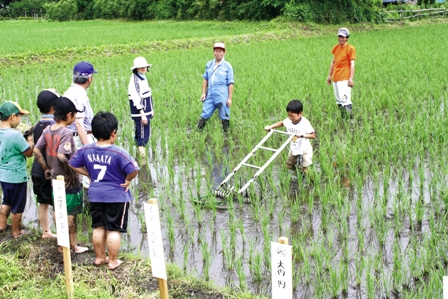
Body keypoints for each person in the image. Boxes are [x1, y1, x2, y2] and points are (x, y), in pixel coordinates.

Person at [69, 111, 139, 270]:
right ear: (113, 133)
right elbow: (134, 170)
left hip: (95, 194)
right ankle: (113, 261)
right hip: (117, 197)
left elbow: (72, 163)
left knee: (98, 226)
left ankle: (100, 258)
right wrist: (128, 180)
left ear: (92, 132)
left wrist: (89, 174)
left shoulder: (86, 149)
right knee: (114, 229)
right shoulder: (119, 152)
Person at [34, 97, 88, 254]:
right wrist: (71, 174)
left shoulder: (48, 130)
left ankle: (61, 243)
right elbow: (62, 156)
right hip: (68, 183)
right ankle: (74, 246)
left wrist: (46, 168)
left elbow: (37, 150)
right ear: (69, 115)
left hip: (54, 181)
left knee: (58, 209)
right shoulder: (66, 133)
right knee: (71, 215)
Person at [0, 101, 34, 238]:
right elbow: (28, 152)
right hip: (17, 177)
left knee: (6, 201)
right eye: (19, 116)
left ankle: (2, 225)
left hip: (3, 175)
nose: (20, 119)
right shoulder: (16, 135)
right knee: (18, 207)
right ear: (12, 117)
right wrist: (30, 139)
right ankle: (16, 232)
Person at [63, 61, 98, 187]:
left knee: (77, 174)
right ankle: (89, 205)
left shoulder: (68, 92)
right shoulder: (80, 94)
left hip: (71, 136)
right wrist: (88, 147)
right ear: (89, 78)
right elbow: (79, 123)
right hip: (80, 137)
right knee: (88, 176)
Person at [31, 89, 59, 239]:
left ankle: (45, 231)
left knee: (42, 202)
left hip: (36, 170)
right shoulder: (54, 127)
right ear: (53, 108)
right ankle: (62, 235)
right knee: (57, 203)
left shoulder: (37, 125)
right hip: (49, 170)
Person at [264, 100, 315, 174]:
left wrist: (301, 136)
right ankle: (299, 172)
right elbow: (282, 123)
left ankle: (313, 182)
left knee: (305, 169)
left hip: (304, 149)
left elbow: (313, 135)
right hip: (294, 148)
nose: (290, 118)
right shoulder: (288, 120)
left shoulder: (305, 123)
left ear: (300, 113)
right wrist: (270, 126)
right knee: (289, 166)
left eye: (292, 116)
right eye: (289, 115)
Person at [197, 42, 234, 132]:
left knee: (224, 115)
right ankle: (198, 134)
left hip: (222, 94)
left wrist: (229, 98)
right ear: (213, 52)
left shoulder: (227, 66)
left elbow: (230, 83)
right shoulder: (209, 64)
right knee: (205, 113)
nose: (218, 53)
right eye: (216, 51)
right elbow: (205, 79)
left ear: (224, 53)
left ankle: (226, 136)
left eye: (220, 51)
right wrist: (203, 93)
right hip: (210, 94)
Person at [128, 56, 154, 165]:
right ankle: (143, 162)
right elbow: (135, 98)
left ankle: (139, 157)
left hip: (146, 112)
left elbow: (147, 95)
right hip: (141, 113)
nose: (143, 68)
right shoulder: (135, 79)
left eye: (144, 66)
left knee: (142, 134)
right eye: (140, 67)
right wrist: (142, 114)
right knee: (142, 136)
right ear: (136, 68)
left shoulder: (142, 77)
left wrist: (151, 110)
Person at [326, 28, 356, 119]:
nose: (341, 39)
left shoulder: (350, 49)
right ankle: (344, 119)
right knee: (339, 100)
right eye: (339, 36)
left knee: (345, 100)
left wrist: (350, 78)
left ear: (347, 38)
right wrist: (329, 75)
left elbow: (352, 64)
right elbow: (333, 62)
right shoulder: (336, 48)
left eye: (343, 37)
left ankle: (351, 121)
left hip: (344, 78)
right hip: (336, 78)